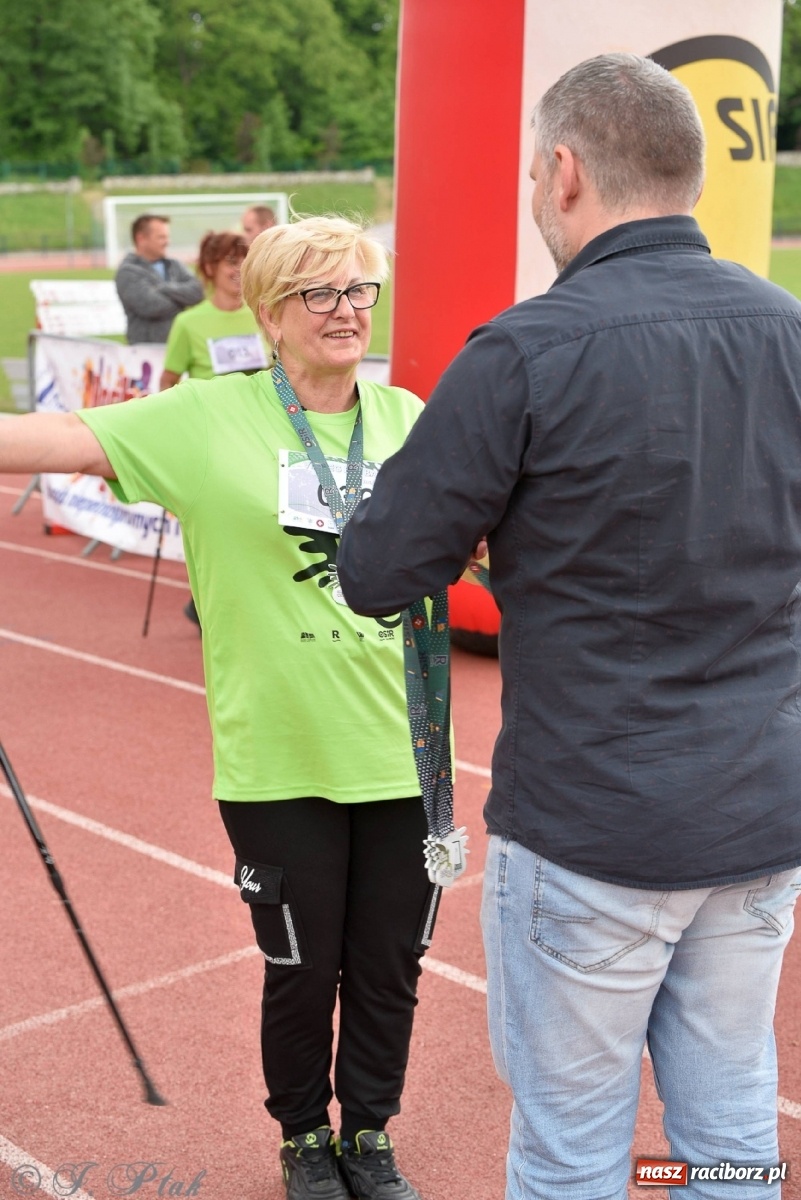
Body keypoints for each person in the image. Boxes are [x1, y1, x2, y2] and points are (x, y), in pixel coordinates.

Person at [338, 53, 801, 1200]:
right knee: (732, 1108)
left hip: (599, 817)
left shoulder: (527, 348)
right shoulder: (788, 328)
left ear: (563, 171)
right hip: (760, 804)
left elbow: (380, 568)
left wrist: (509, 540)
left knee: (572, 1144)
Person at [0, 216, 435, 1200]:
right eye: (319, 293)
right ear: (272, 314)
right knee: (301, 969)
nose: (346, 311)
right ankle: (300, 1141)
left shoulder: (411, 418)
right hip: (278, 761)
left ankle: (368, 1134)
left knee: (388, 969)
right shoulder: (206, 417)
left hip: (406, 756)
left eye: (359, 289)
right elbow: (54, 436)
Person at [159, 229, 268, 629]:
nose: (239, 271)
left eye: (245, 261)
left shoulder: (264, 314)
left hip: (264, 431)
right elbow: (168, 381)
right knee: (222, 521)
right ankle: (209, 601)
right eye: (229, 263)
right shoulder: (189, 323)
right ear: (208, 269)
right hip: (213, 434)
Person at [115, 213, 204, 344]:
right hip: (146, 354)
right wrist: (184, 300)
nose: (168, 242)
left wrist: (162, 288)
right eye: (161, 237)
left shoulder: (174, 265)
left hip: (179, 347)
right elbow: (152, 306)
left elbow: (199, 291)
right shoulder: (127, 272)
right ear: (141, 239)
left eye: (167, 237)